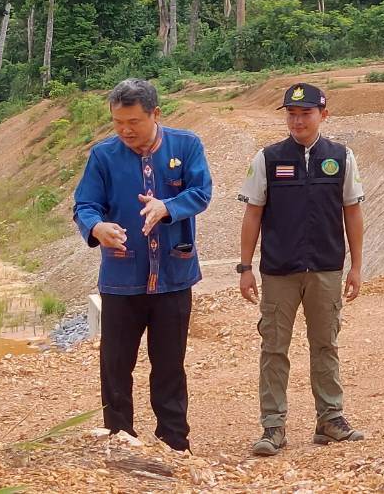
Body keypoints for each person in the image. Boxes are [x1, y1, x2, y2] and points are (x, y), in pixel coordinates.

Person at [72, 78, 211, 453]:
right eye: (117, 122)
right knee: (116, 366)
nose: (125, 130)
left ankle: (173, 441)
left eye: (133, 121)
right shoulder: (103, 156)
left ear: (156, 114)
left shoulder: (187, 145)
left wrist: (168, 206)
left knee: (169, 365)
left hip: (173, 276)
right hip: (121, 279)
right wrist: (97, 227)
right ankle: (119, 439)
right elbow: (85, 205)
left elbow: (201, 192)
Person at [238, 82, 366, 455]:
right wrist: (245, 267)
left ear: (323, 115)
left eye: (305, 113)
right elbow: (253, 214)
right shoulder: (268, 158)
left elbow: (353, 212)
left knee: (325, 344)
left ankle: (330, 418)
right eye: (291, 114)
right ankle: (273, 427)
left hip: (326, 268)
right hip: (279, 271)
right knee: (274, 348)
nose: (297, 120)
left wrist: (356, 266)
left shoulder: (342, 157)